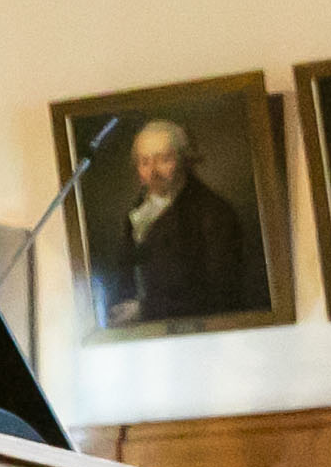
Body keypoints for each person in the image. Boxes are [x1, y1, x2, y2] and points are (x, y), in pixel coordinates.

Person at [98, 117, 257, 326]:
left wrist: (146, 309)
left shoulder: (213, 214)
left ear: (185, 161)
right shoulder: (136, 213)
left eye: (163, 159)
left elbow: (221, 295)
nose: (153, 171)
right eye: (144, 162)